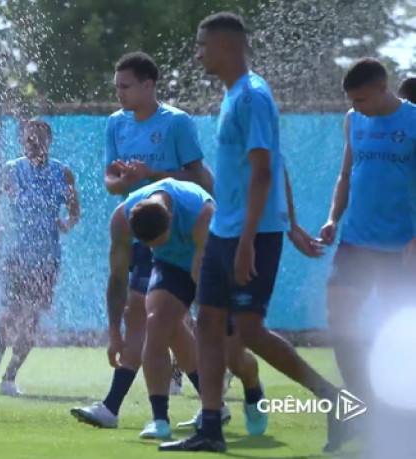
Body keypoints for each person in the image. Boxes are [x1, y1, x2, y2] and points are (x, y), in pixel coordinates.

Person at [159, 13, 349, 452]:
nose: (198, 53)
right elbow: (272, 165)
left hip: (251, 236)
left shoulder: (252, 97)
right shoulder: (232, 96)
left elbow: (264, 172)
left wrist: (249, 242)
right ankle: (210, 427)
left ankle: (336, 400)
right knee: (207, 322)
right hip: (226, 230)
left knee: (247, 330)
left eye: (203, 45)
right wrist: (293, 223)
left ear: (226, 47)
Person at [70, 51, 220, 429]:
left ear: (149, 85)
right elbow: (110, 182)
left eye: (125, 86)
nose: (118, 93)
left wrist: (152, 173)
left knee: (142, 313)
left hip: (174, 229)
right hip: (140, 226)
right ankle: (211, 401)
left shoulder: (177, 122)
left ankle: (113, 406)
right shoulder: (115, 124)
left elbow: (199, 179)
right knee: (166, 326)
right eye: (116, 86)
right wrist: (123, 181)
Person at [107, 179, 266, 441]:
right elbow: (117, 279)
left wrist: (203, 316)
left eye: (158, 241)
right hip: (170, 265)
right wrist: (115, 333)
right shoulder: (122, 219)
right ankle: (160, 420)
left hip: (209, 261)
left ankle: (252, 388)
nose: (152, 248)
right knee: (156, 321)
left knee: (229, 351)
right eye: (147, 245)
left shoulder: (201, 214)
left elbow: (200, 275)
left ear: (171, 219)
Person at [319, 58, 416, 414]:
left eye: (361, 99)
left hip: (400, 247)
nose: (355, 107)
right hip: (355, 240)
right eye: (351, 100)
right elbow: (347, 175)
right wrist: (333, 218)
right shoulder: (353, 119)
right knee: (338, 316)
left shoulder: (414, 121)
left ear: (382, 87)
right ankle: (361, 404)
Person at [0, 117, 80, 396]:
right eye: (28, 139)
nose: (33, 143)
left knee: (32, 318)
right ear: (21, 141)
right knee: (12, 313)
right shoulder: (12, 170)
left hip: (47, 258)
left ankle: (10, 377)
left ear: (48, 142)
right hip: (18, 255)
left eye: (38, 139)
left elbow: (74, 210)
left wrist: (67, 223)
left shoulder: (62, 173)